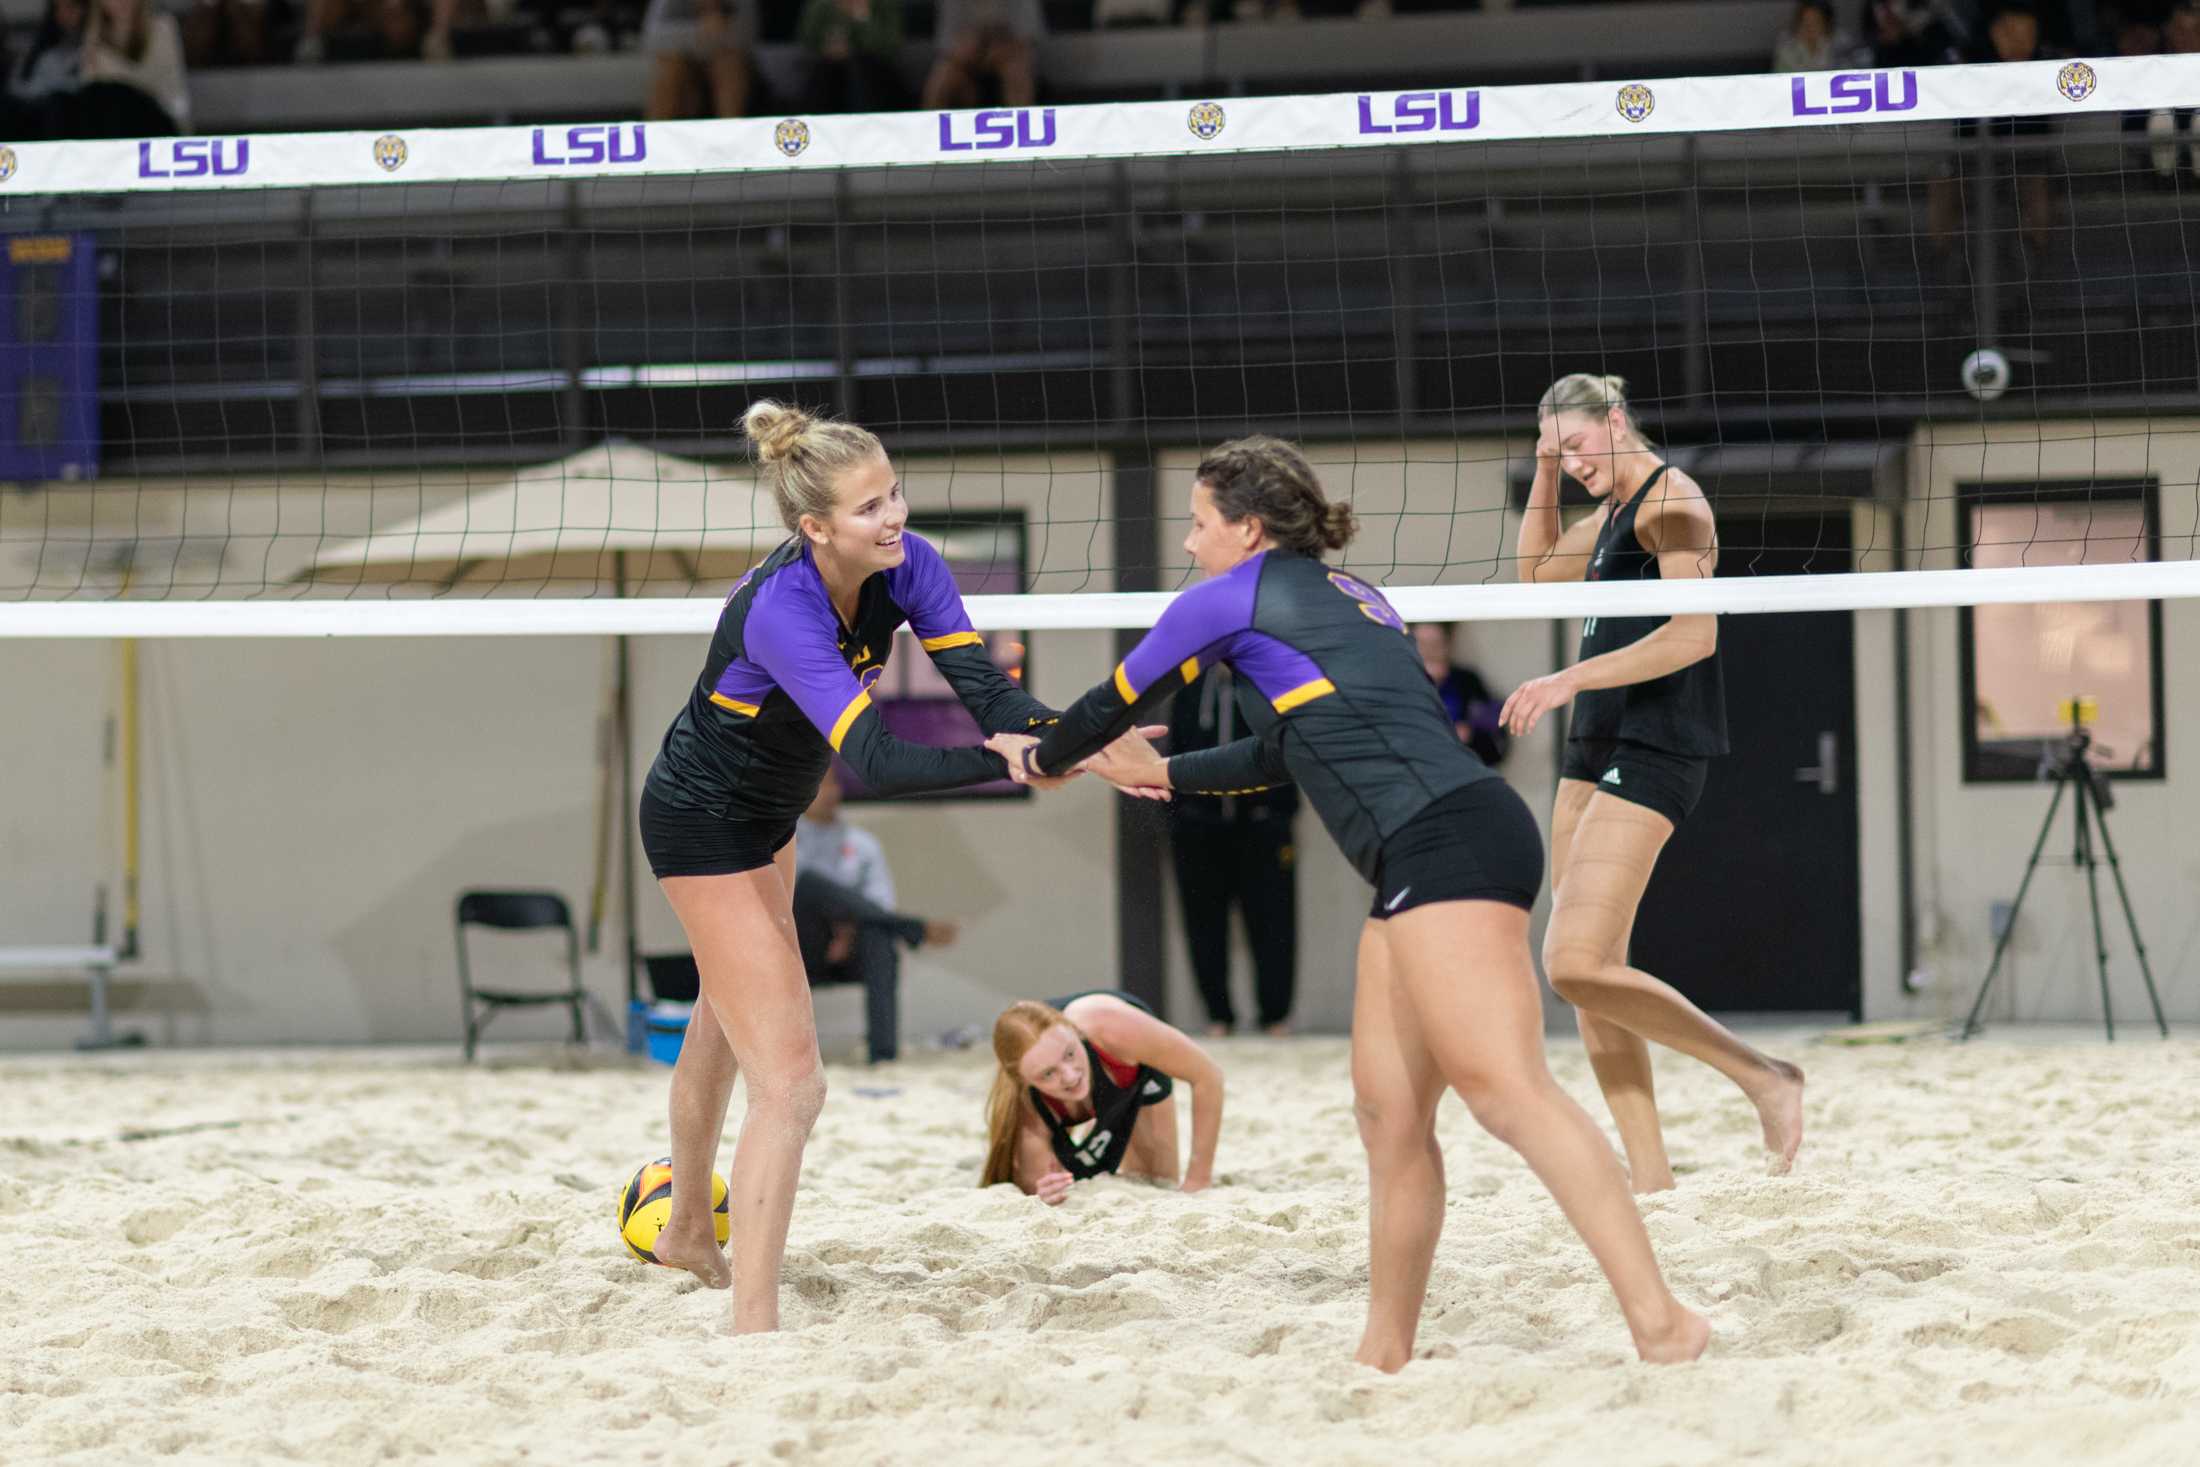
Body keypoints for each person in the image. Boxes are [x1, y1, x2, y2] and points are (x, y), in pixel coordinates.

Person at [990, 435, 1709, 1371]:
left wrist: (1042, 758)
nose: (1190, 543)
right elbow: (1284, 752)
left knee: (1508, 1093)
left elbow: (1109, 699)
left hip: (1446, 838)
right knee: (1388, 1113)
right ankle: (1385, 1351)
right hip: (1430, 848)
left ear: (1247, 530)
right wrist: (1161, 770)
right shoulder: (1355, 598)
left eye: (1201, 523)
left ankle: (1664, 1322)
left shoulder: (1224, 598)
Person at [636, 399, 1111, 1332]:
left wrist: (1078, 740)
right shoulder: (781, 609)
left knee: (723, 1021)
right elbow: (885, 762)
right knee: (795, 1082)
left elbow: (987, 693)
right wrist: (1014, 761)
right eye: (867, 508)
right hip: (699, 821)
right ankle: (754, 1322)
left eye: (894, 492)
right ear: (814, 527)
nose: (892, 516)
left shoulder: (912, 565)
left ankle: (690, 1225)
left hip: (767, 816)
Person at [1508, 372, 1804, 1196]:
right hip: (1593, 740)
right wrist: (1539, 467)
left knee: (1570, 961)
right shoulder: (1605, 513)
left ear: (1615, 419)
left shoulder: (1675, 503)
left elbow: (1694, 636)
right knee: (1593, 977)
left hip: (1657, 741)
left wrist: (1569, 678)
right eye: (1555, 454)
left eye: (1575, 446)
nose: (1570, 464)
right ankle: (1650, 1176)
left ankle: (1764, 1076)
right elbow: (1533, 572)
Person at [979, 991, 1223, 1204]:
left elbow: (1208, 1076)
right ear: (1025, 1082)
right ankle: (1097, 1123)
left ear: (1076, 1032)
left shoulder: (1110, 1026)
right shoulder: (1026, 1104)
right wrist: (1044, 1193)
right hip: (1066, 1089)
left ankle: (1100, 1122)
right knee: (1044, 1188)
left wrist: (1198, 1180)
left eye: (1070, 1054)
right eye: (1048, 1074)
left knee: (1155, 1182)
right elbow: (1040, 1195)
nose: (1069, 1075)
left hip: (1129, 1067)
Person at [1165, 664, 1299, 1037]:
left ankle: (1276, 1016)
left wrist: (1279, 811)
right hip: (1199, 826)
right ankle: (1217, 1016)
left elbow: (1289, 747)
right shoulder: (1191, 688)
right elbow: (1175, 750)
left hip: (1262, 824)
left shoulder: (1269, 685)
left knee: (1273, 920)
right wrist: (1179, 815)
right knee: (1203, 921)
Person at [792, 767, 957, 1063]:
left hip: (856, 945)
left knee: (881, 938)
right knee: (809, 884)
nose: (830, 792)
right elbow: (786, 898)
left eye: (834, 784)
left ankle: (883, 1056)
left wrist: (847, 933)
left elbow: (880, 903)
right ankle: (910, 928)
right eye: (820, 784)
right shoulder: (785, 841)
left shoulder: (863, 844)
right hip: (801, 946)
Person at [72, 0, 189, 137]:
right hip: (114, 141)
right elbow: (93, 108)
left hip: (160, 136)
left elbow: (175, 98)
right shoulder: (91, 45)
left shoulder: (164, 29)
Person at [1411, 622, 1508, 768]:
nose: (1429, 652)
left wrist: (1470, 733)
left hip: (1463, 771)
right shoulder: (1401, 683)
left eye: (1435, 644)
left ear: (1447, 645)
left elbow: (1497, 738)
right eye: (1422, 645)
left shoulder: (1467, 682)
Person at [641, 0, 753, 120]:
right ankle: (656, 133)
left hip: (730, 67)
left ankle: (731, 131)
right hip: (683, 63)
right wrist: (700, 31)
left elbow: (747, 36)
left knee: (728, 65)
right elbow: (651, 38)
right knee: (670, 68)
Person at [920, 0, 1037, 111]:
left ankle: (1024, 128)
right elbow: (945, 45)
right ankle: (928, 129)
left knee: (1017, 73)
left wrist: (994, 51)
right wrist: (969, 52)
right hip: (964, 61)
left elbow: (1027, 39)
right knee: (941, 80)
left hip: (1008, 56)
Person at [799, 0, 905, 114]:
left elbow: (889, 45)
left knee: (859, 67)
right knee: (825, 71)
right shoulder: (821, 5)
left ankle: (862, 119)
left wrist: (861, 17)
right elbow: (806, 40)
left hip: (875, 68)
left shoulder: (884, 5)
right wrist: (827, 49)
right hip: (827, 66)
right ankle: (815, 122)